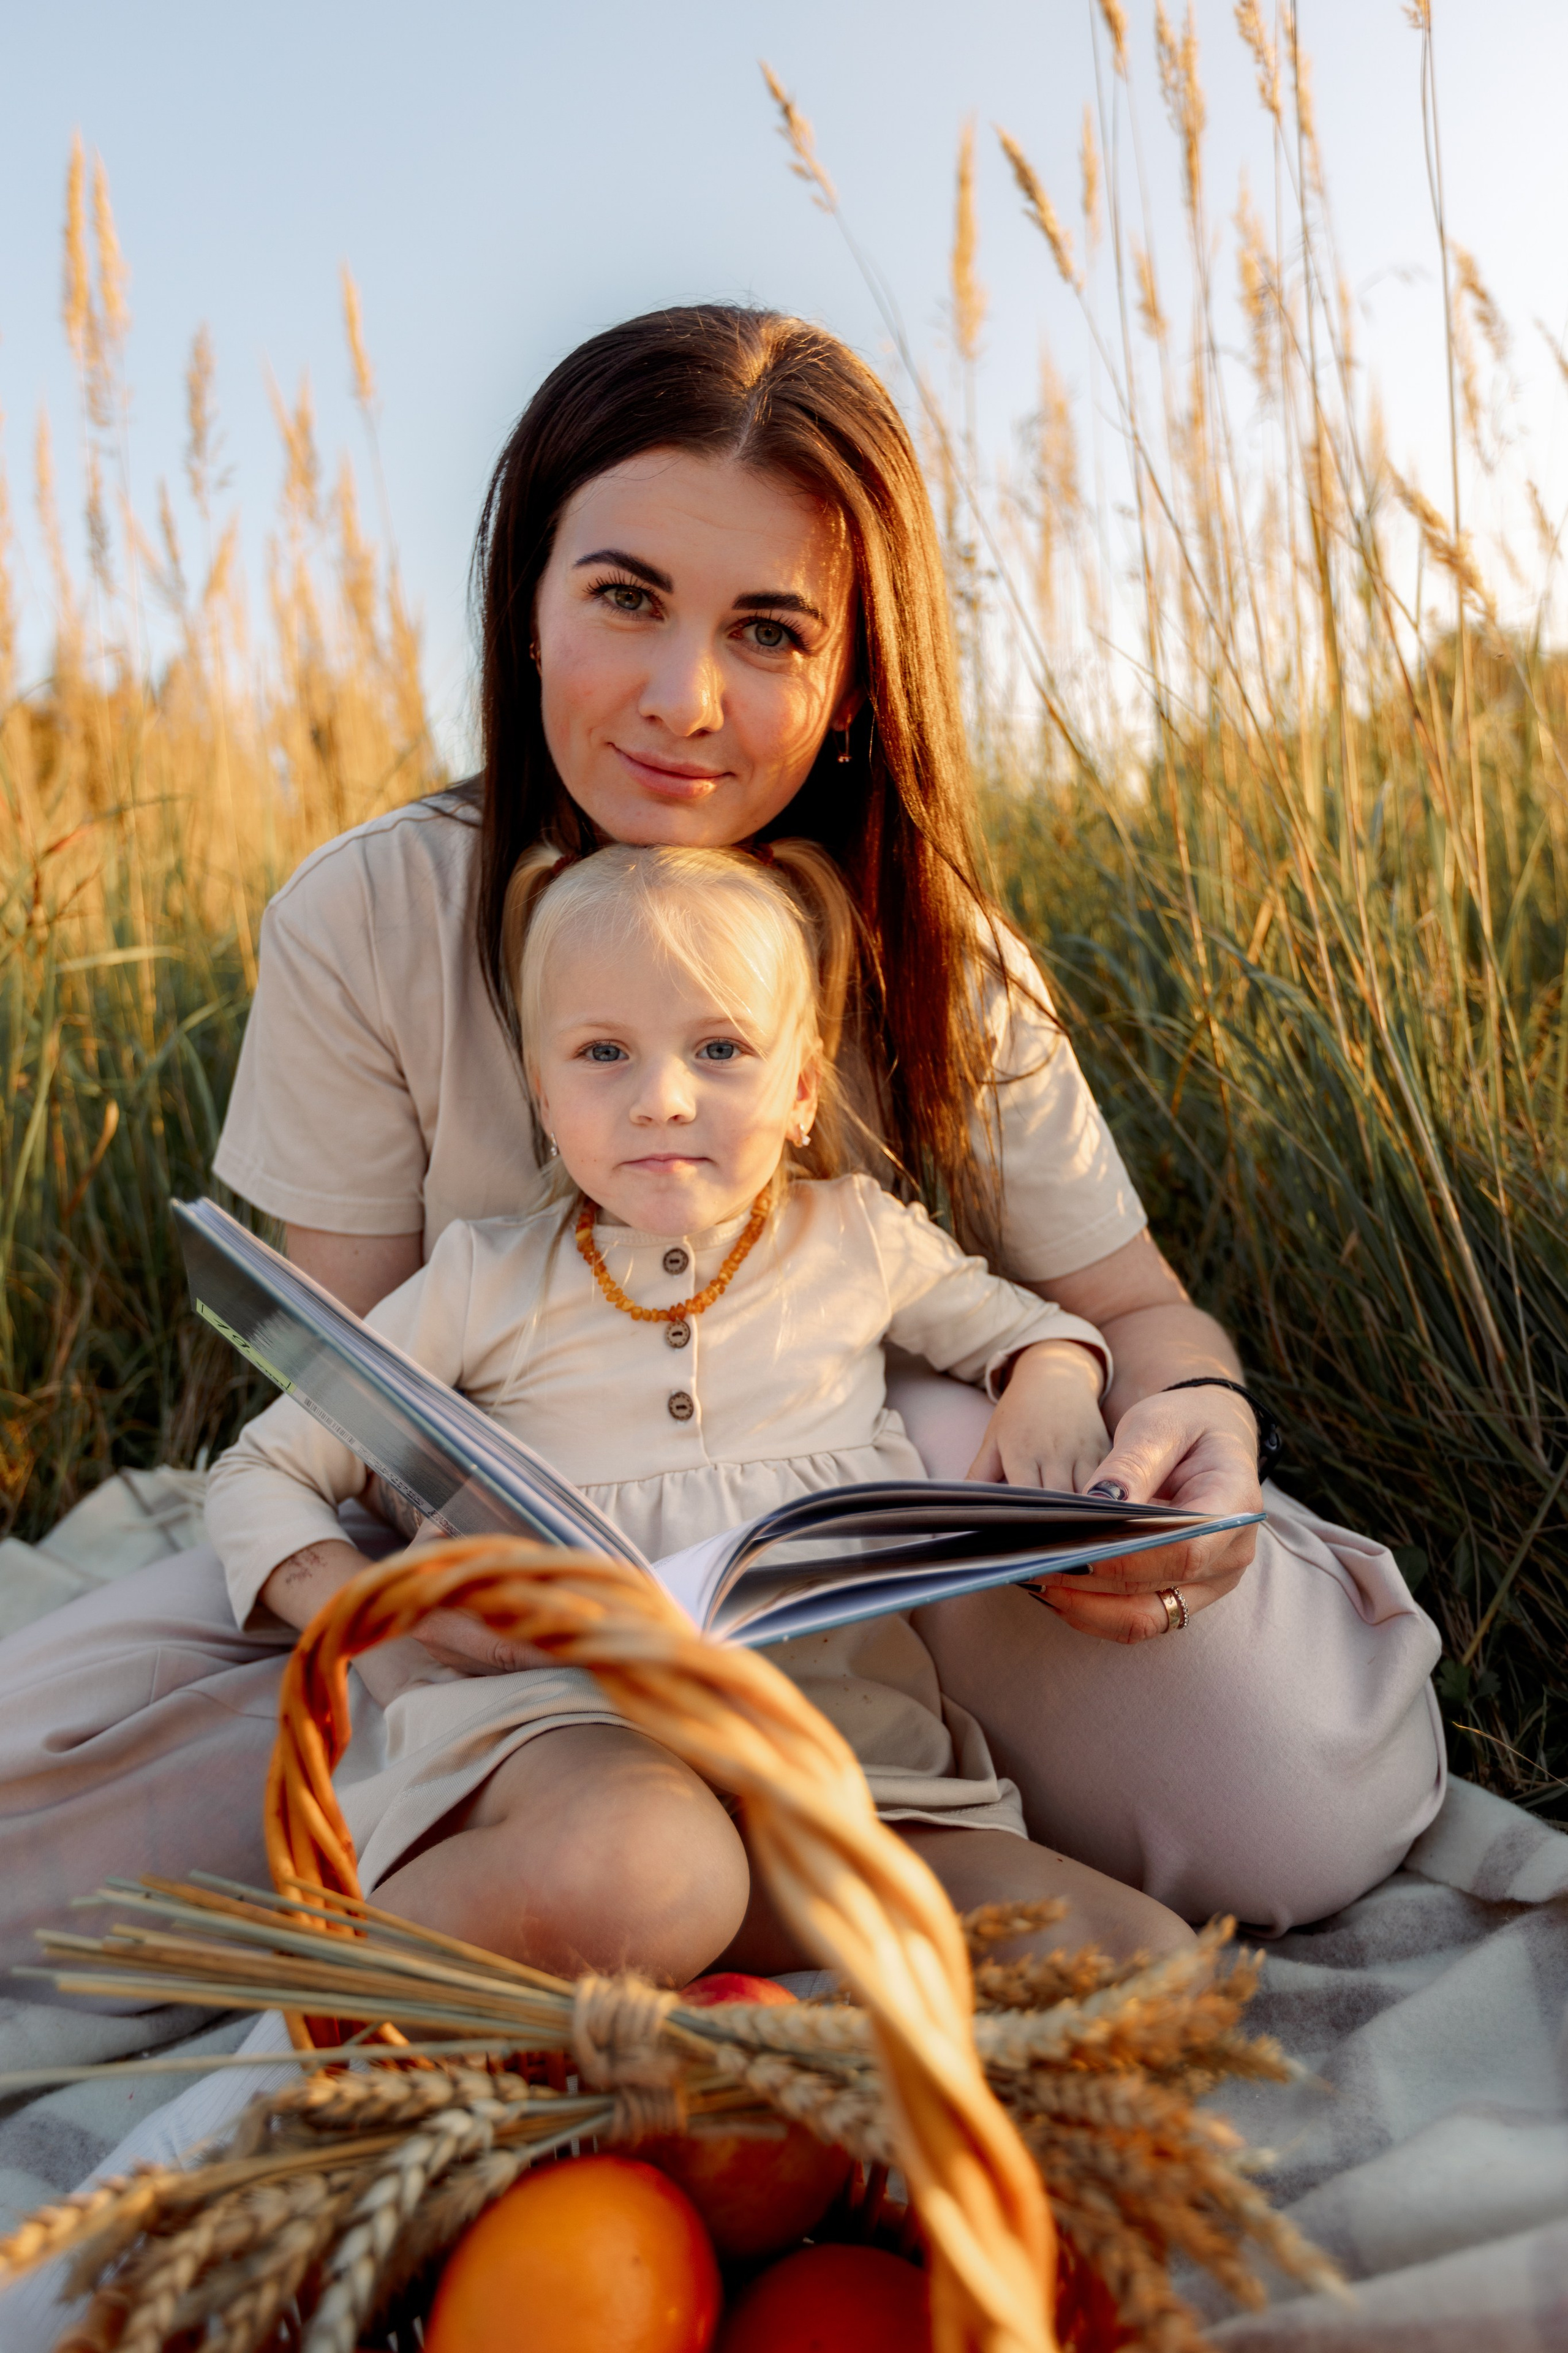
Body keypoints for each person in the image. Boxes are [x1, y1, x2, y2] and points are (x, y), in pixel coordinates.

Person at [0, 307, 1443, 1987]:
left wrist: (1194, 1411)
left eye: (768, 631)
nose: (684, 699)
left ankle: (742, 1853)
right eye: (626, 597)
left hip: (862, 1541)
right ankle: (589, 1869)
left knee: (1298, 1811)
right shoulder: (371, 915)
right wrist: (457, 1618)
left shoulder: (934, 955)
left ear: (851, 682)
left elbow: (1126, 1307)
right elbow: (354, 1410)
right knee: (42, 1870)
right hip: (502, 1592)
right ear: (528, 605)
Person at [206, 840, 1191, 1977]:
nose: (662, 1098)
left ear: (802, 1089)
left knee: (1144, 1958)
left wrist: (1054, 1376)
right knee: (662, 1869)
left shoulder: (860, 1242)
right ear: (542, 1091)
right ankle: (334, 1994)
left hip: (842, 1767)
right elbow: (262, 1471)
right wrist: (388, 1639)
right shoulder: (484, 1280)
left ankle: (699, 1955)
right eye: (603, 1053)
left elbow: (1035, 1326)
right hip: (569, 1739)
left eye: (720, 1049)